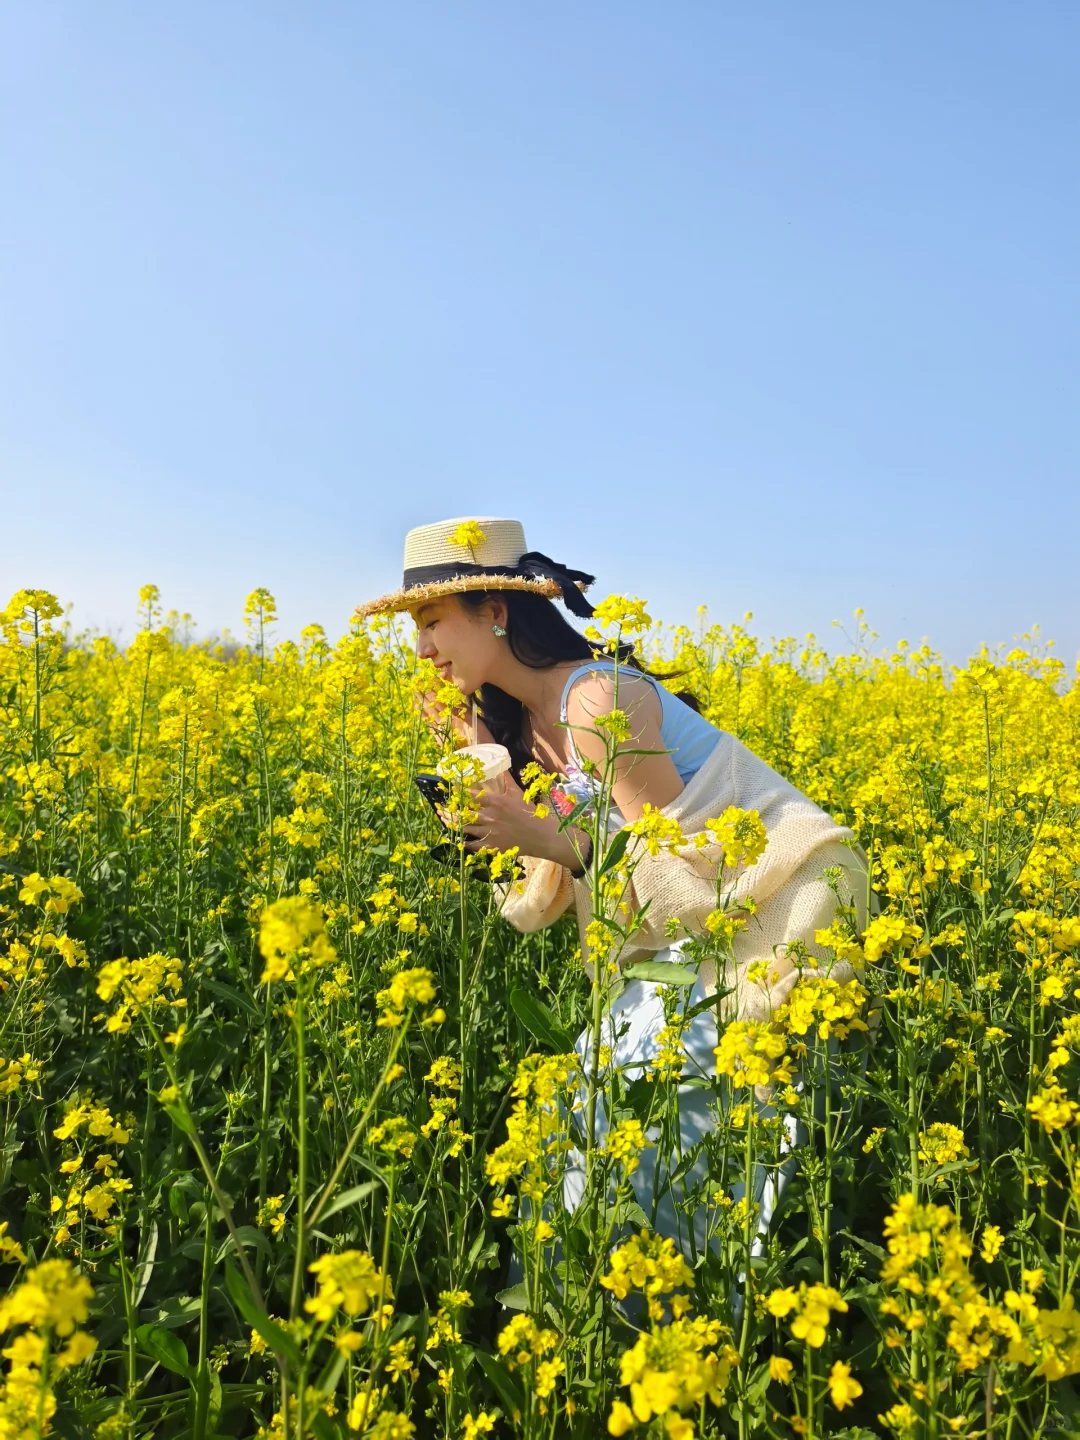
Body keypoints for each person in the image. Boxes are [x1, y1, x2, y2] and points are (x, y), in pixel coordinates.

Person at [356, 515, 867, 1251]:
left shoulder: (596, 699)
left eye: (432, 622)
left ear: (495, 614)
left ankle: (698, 1295)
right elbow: (579, 852)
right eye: (415, 630)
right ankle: (610, 1291)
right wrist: (477, 764)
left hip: (774, 909)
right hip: (694, 931)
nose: (423, 649)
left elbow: (670, 862)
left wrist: (533, 834)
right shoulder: (526, 725)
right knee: (600, 1099)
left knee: (651, 1097)